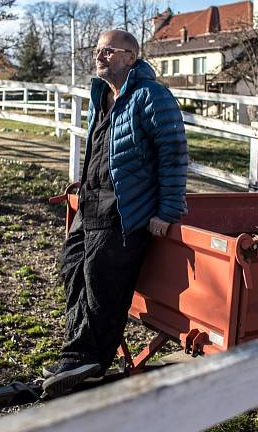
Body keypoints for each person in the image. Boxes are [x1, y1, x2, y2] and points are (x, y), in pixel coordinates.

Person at [42, 29, 188, 395]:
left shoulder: (152, 96)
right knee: (72, 268)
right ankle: (79, 353)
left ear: (131, 58)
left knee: (101, 281)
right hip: (92, 200)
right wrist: (85, 179)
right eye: (97, 50)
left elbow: (174, 154)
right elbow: (101, 144)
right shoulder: (103, 94)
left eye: (107, 50)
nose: (99, 55)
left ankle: (87, 359)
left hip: (123, 209)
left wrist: (167, 210)